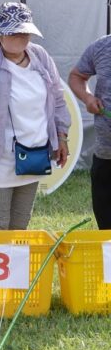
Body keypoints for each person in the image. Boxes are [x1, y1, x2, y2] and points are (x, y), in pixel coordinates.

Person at [0, 3, 70, 230]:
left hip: (35, 156)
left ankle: (17, 266)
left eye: (23, 32)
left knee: (20, 226)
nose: (18, 38)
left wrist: (62, 136)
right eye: (12, 32)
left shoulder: (40, 57)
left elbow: (57, 97)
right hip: (0, 162)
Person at [69, 32, 111, 228]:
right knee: (106, 223)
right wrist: (88, 98)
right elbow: (77, 76)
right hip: (105, 153)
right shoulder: (102, 46)